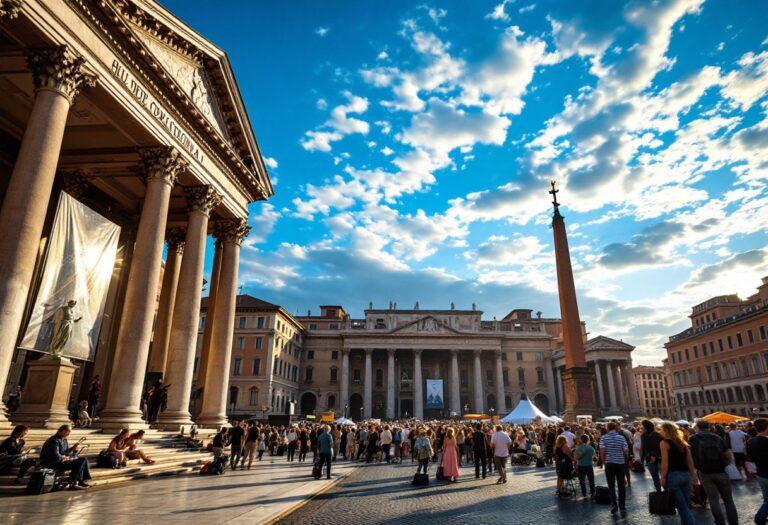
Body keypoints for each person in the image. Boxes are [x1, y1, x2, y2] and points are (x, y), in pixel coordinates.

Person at [690, 420, 738, 525]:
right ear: (709, 427)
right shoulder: (717, 437)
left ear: (697, 427)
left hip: (705, 472)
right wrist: (726, 464)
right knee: (728, 500)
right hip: (721, 471)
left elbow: (690, 456)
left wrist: (694, 470)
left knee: (713, 500)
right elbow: (728, 454)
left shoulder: (693, 438)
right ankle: (734, 522)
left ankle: (720, 522)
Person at [660, 422, 700, 525]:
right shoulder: (682, 443)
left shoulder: (664, 443)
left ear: (666, 431)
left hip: (673, 476)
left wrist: (663, 477)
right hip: (686, 476)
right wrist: (694, 475)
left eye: (661, 430)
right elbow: (690, 461)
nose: (660, 432)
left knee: (682, 507)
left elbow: (665, 462)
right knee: (685, 506)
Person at [39, 424, 91, 489]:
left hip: (61, 461)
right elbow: (55, 456)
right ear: (63, 431)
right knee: (81, 460)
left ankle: (79, 481)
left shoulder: (64, 440)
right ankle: (72, 482)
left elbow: (65, 452)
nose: (69, 434)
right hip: (51, 463)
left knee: (83, 459)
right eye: (68, 431)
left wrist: (73, 448)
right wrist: (67, 458)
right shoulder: (54, 440)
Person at [599, 421, 628, 516]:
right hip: (620, 463)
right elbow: (625, 450)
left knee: (611, 485)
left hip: (609, 463)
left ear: (607, 428)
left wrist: (603, 461)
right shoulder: (621, 437)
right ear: (615, 428)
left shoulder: (604, 438)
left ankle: (614, 504)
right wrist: (624, 458)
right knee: (621, 484)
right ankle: (622, 505)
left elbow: (602, 451)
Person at [748, 418, 768, 525]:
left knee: (766, 498)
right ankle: (759, 517)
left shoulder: (750, 441)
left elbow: (751, 458)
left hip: (760, 474)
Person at [641, 419, 663, 492]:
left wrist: (642, 459)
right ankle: (667, 492)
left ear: (645, 427)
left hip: (649, 458)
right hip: (659, 457)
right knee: (663, 476)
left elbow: (643, 448)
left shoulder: (643, 436)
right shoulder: (658, 434)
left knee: (655, 478)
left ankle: (659, 492)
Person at [574, 433, 596, 499]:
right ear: (588, 440)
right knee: (591, 480)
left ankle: (585, 495)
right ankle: (593, 493)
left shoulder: (578, 448)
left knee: (582, 481)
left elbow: (576, 458)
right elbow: (594, 457)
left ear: (581, 440)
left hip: (581, 466)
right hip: (589, 465)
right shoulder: (591, 448)